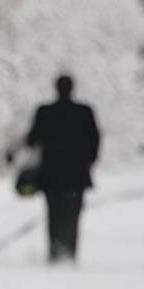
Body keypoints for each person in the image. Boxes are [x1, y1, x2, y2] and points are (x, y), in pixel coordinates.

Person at [25, 75, 100, 264]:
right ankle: (70, 252)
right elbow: (95, 140)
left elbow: (32, 139)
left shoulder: (45, 112)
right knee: (73, 214)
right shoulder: (84, 111)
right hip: (77, 175)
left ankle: (55, 252)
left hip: (51, 175)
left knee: (54, 213)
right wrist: (88, 161)